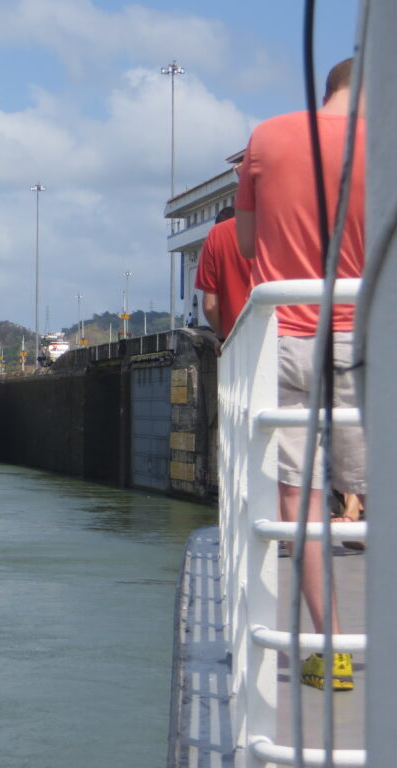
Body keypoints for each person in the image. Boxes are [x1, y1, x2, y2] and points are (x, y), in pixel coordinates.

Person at [235, 58, 365, 691]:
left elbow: (245, 244)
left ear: (326, 89)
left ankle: (329, 649)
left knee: (303, 497)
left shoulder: (268, 136)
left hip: (288, 337)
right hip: (372, 338)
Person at [194, 206, 253, 344]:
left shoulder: (216, 235)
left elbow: (210, 306)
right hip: (278, 332)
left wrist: (221, 337)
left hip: (237, 339)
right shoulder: (262, 225)